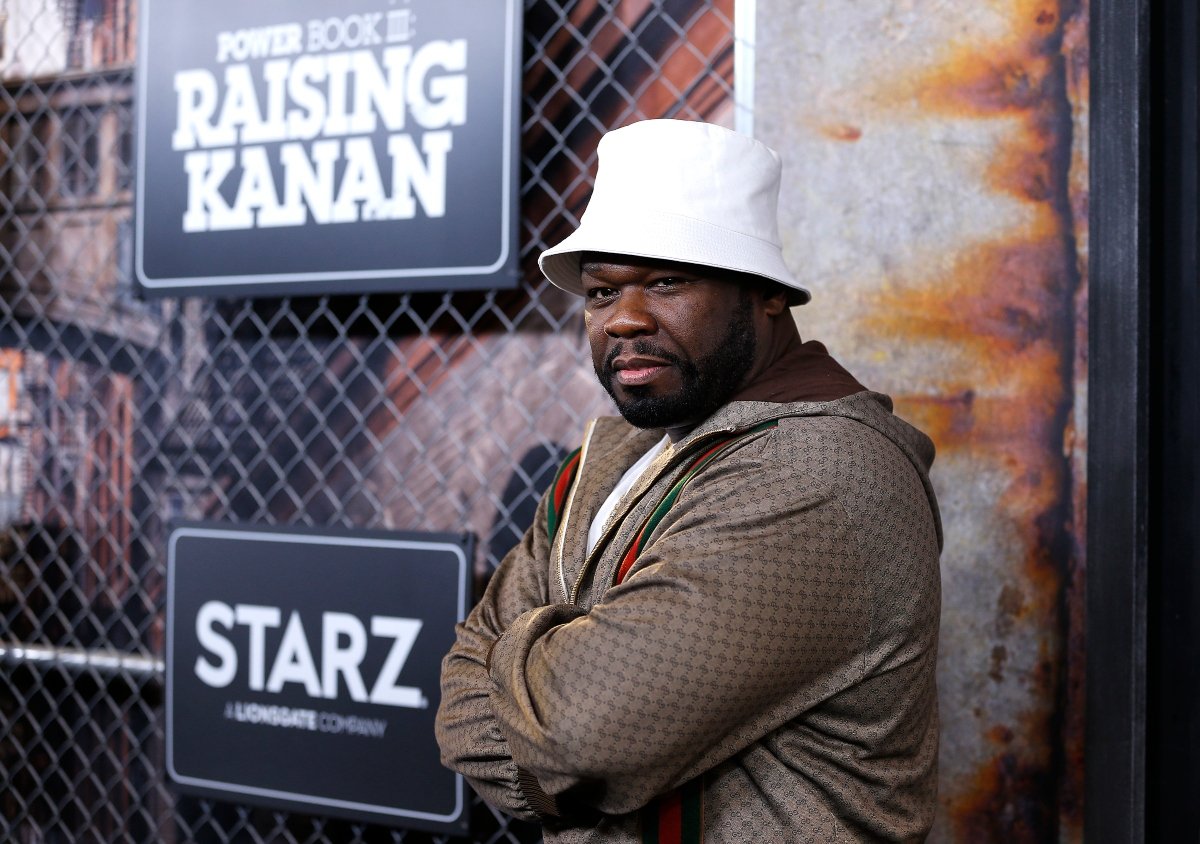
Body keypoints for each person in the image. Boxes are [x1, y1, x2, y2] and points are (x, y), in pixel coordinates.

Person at [435, 119, 942, 842]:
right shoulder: (619, 451)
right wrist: (541, 676)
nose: (626, 320)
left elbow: (567, 739)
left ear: (766, 295)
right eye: (602, 293)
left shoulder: (817, 472)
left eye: (668, 281)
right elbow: (461, 707)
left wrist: (519, 676)